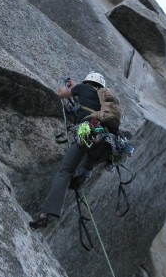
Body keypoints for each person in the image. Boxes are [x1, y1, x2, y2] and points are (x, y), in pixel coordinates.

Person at [29, 71, 112, 229]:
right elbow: (82, 101)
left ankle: (45, 215)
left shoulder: (82, 88)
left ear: (87, 82)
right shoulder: (104, 100)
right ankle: (83, 174)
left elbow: (62, 95)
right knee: (90, 159)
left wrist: (65, 88)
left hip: (88, 133)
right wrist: (75, 89)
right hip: (105, 141)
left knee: (65, 171)